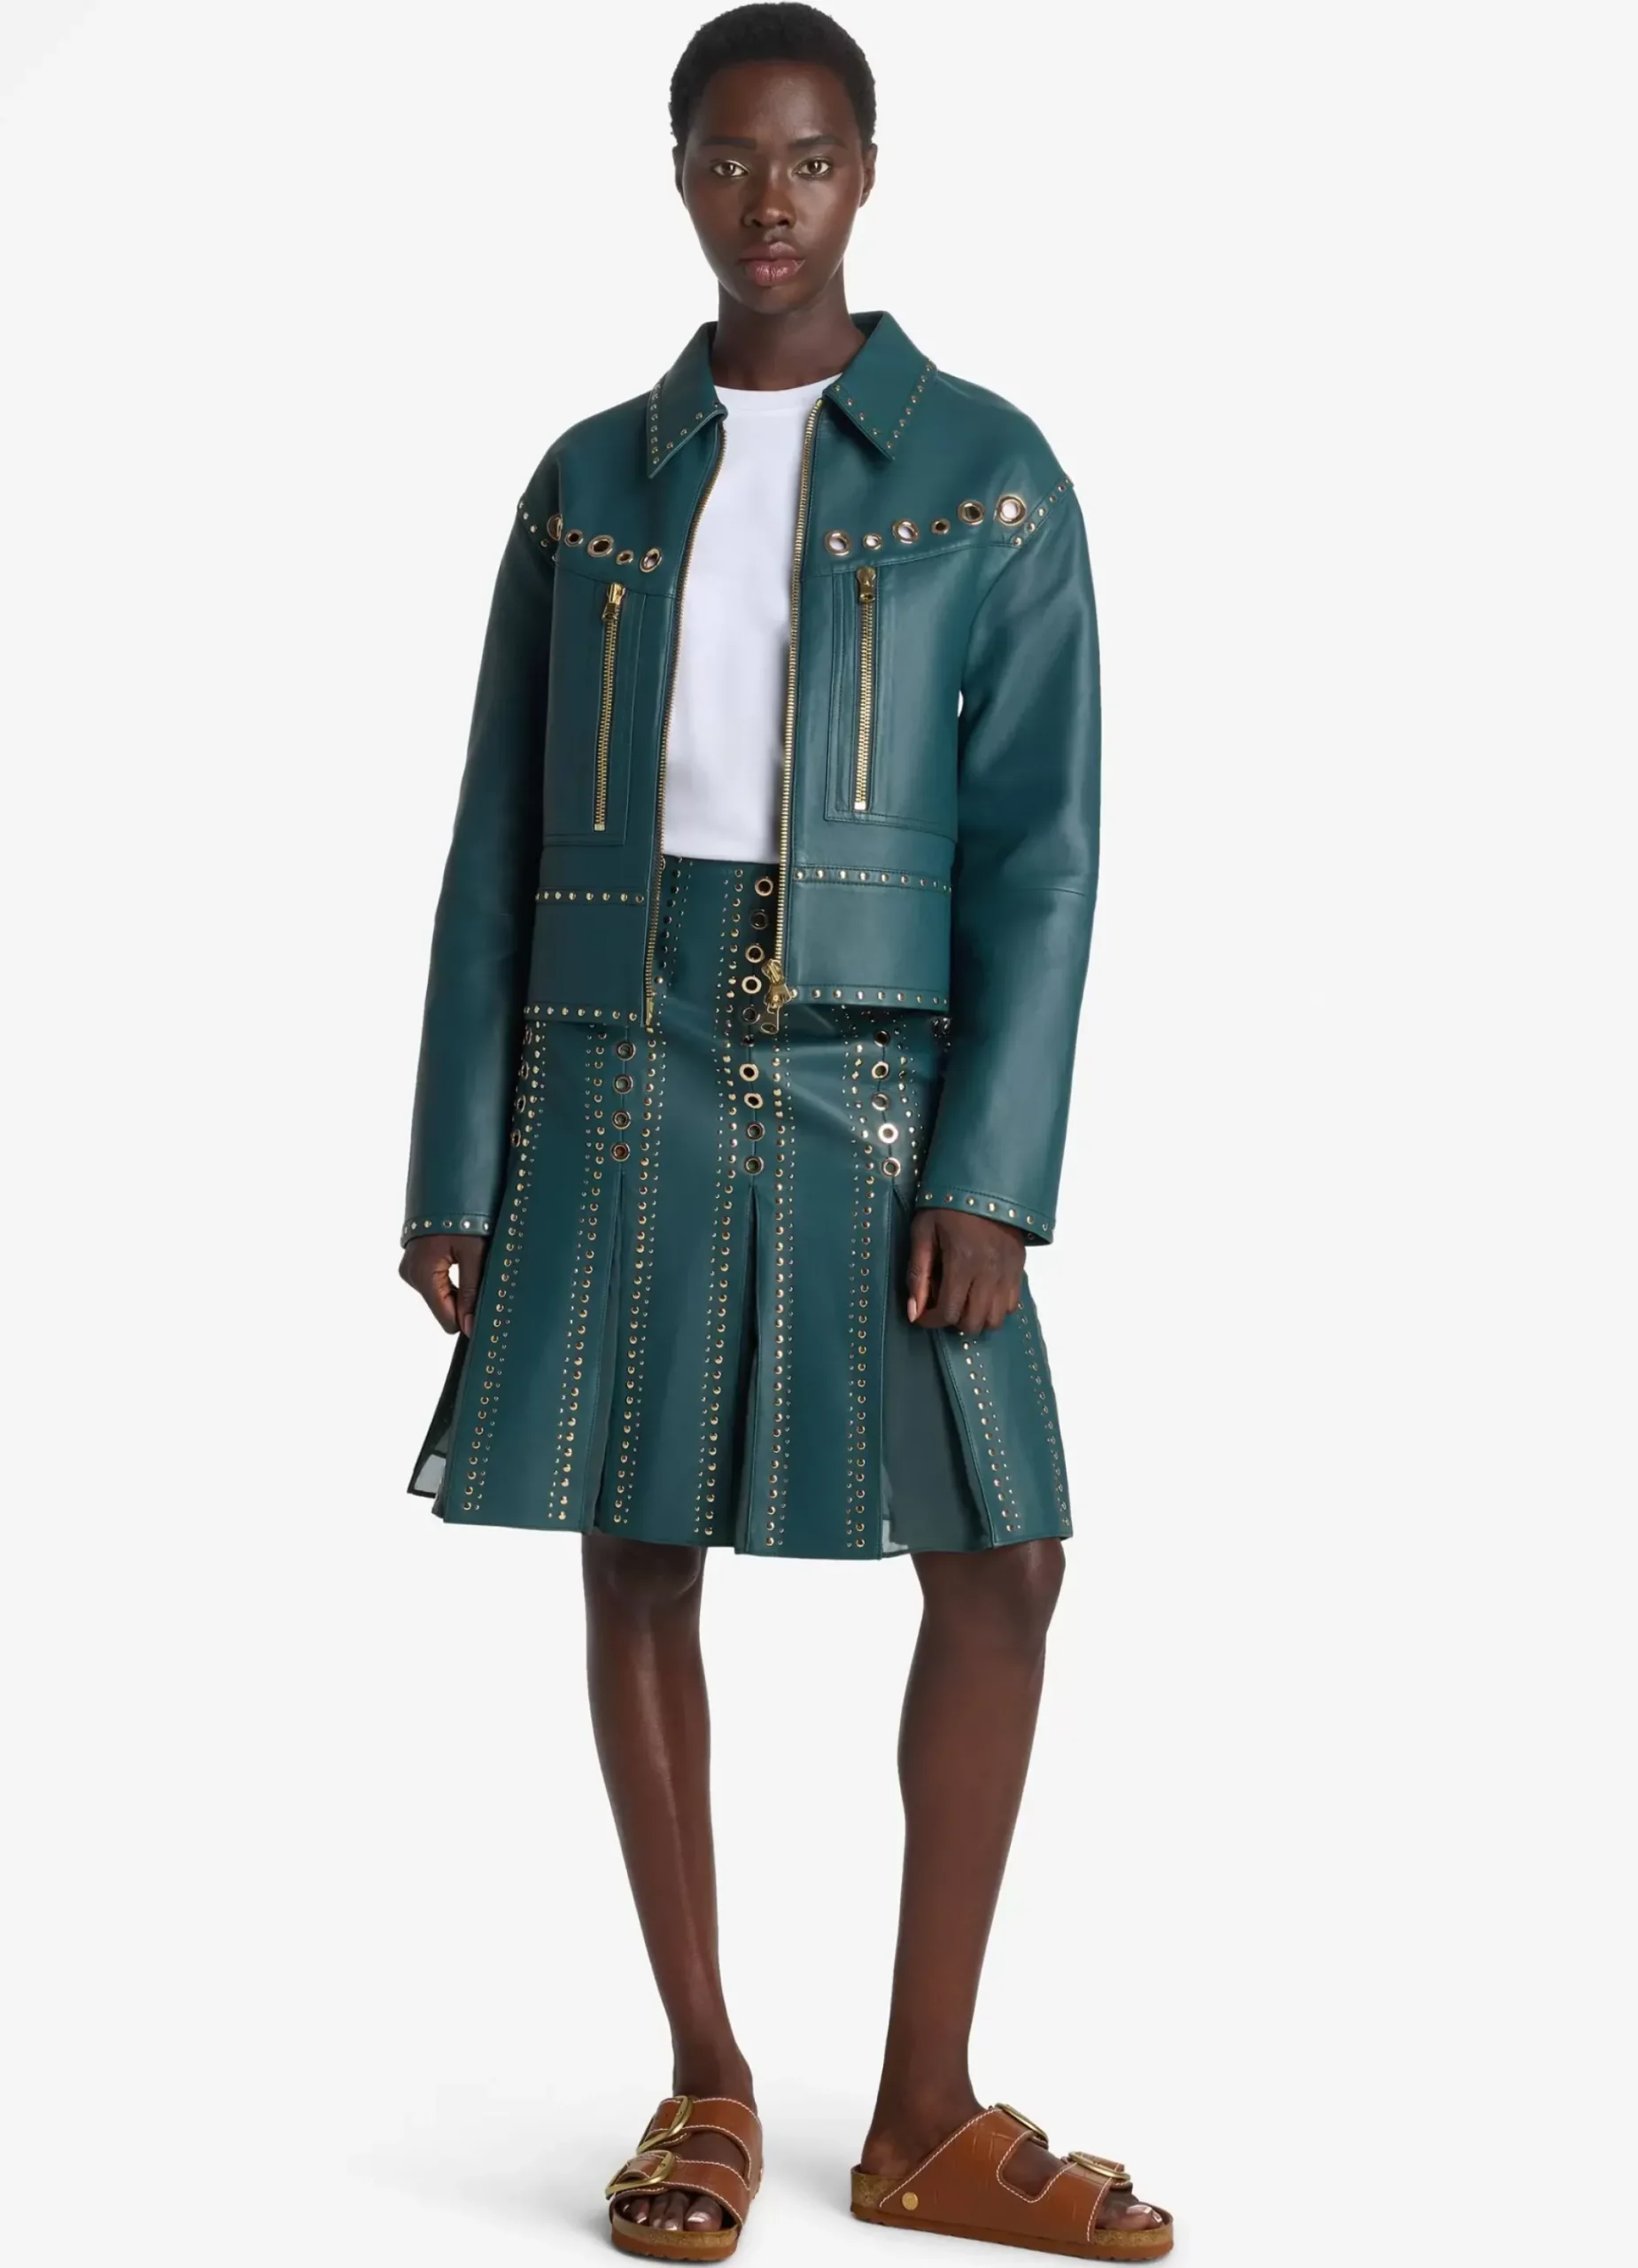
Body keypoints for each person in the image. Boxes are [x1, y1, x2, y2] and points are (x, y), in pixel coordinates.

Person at [399, 6, 1170, 2258]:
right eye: (730, 159)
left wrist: (991, 1172)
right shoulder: (587, 484)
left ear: (867, 174)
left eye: (809, 158)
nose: (769, 200)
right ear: (677, 173)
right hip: (614, 1054)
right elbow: (492, 837)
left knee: (1005, 1560)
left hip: (880, 1073)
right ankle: (708, 2079)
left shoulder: (989, 478)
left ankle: (926, 2108)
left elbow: (1044, 850)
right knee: (636, 1548)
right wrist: (455, 1157)